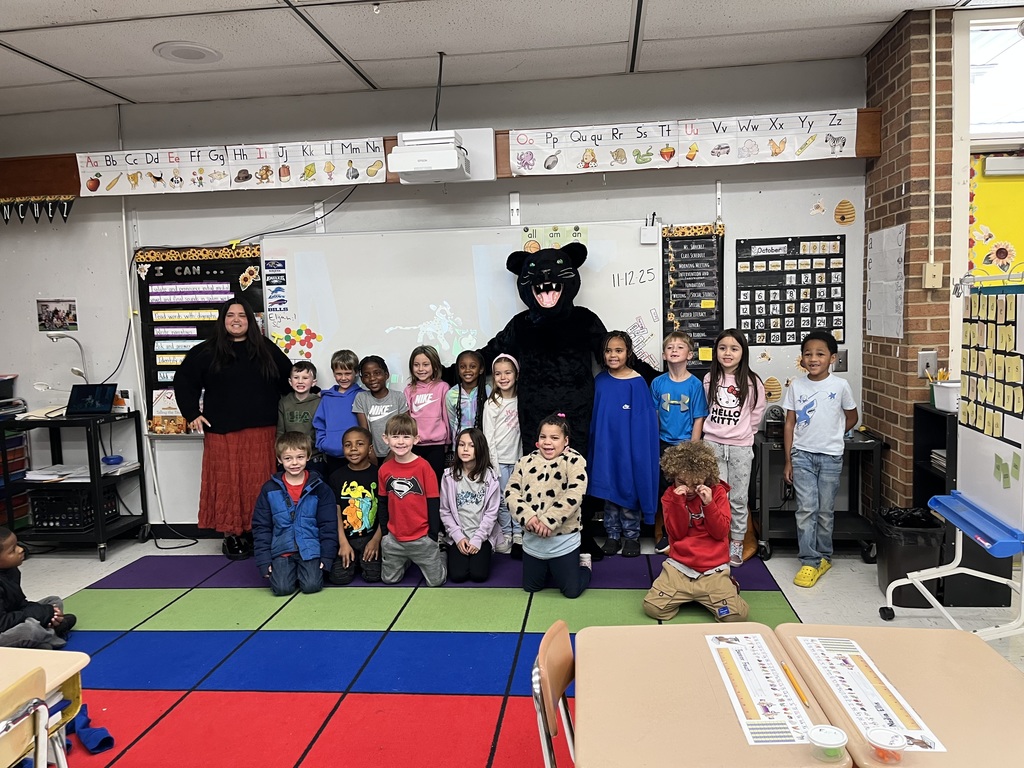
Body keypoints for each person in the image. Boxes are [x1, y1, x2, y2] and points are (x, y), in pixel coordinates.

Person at [174, 298, 292, 559]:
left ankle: (256, 532)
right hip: (221, 432)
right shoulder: (206, 351)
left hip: (261, 431)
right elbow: (183, 381)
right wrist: (192, 413)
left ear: (251, 321)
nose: (236, 320)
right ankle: (232, 536)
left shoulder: (265, 349)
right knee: (227, 484)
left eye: (242, 315)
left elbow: (290, 379)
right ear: (223, 320)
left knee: (258, 484)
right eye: (230, 316)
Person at [783, 330, 859, 588]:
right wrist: (788, 460)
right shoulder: (796, 385)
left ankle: (824, 555)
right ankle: (808, 560)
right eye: (808, 354)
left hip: (830, 457)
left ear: (832, 358)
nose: (813, 358)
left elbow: (852, 416)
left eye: (820, 354)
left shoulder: (840, 386)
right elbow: (790, 423)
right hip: (801, 455)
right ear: (802, 359)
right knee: (806, 509)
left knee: (825, 511)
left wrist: (835, 434)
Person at [642, 442, 749, 623]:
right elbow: (677, 534)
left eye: (696, 483)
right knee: (653, 608)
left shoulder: (718, 493)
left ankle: (725, 586)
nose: (689, 490)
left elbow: (720, 532)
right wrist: (678, 502)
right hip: (679, 568)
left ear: (706, 478)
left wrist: (709, 505)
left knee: (735, 616)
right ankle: (694, 596)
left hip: (713, 571)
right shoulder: (670, 496)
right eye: (682, 482)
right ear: (673, 476)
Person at [588, 331, 659, 558]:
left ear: (628, 353)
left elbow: (644, 425)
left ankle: (632, 536)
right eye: (608, 351)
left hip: (628, 451)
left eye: (618, 350)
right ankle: (612, 535)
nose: (613, 355)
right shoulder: (599, 381)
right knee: (609, 494)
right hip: (606, 450)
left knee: (628, 492)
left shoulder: (637, 383)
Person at [506, 413, 592, 599]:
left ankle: (583, 566)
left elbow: (575, 494)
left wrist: (548, 521)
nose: (548, 442)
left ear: (565, 440)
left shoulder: (575, 461)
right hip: (533, 541)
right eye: (543, 437)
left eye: (554, 438)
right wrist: (528, 517)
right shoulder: (524, 462)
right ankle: (549, 568)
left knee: (571, 591)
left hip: (563, 542)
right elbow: (511, 492)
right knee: (531, 588)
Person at [702, 329, 767, 567]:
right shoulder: (709, 379)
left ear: (743, 352)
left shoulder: (752, 381)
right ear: (716, 351)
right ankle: (717, 540)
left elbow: (757, 412)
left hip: (740, 447)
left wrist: (745, 434)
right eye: (722, 348)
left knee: (738, 497)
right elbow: (706, 408)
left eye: (734, 348)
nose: (727, 353)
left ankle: (737, 541)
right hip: (713, 444)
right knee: (715, 497)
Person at [251, 433, 338, 596]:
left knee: (311, 586)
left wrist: (326, 557)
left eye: (300, 457)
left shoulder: (320, 488)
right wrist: (264, 560)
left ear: (308, 456)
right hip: (282, 549)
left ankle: (304, 571)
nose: (294, 463)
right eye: (288, 458)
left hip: (310, 549)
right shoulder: (269, 489)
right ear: (279, 459)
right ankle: (287, 571)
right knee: (282, 589)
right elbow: (261, 527)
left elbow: (328, 525)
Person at [651, 331, 710, 554]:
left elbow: (698, 418)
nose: (674, 350)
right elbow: (654, 416)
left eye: (680, 347)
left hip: (687, 445)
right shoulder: (657, 383)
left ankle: (691, 532)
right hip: (663, 444)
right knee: (668, 492)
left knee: (689, 489)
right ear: (665, 355)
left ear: (690, 354)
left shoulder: (694, 385)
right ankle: (668, 533)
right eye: (670, 347)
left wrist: (692, 449)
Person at [378, 413, 446, 586]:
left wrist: (432, 534)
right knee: (389, 580)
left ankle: (442, 553)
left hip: (422, 537)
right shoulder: (384, 470)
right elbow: (383, 503)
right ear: (386, 439)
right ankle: (406, 559)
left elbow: (433, 503)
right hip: (394, 539)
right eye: (395, 436)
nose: (400, 442)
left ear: (416, 439)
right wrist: (386, 534)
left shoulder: (424, 467)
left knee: (436, 582)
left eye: (406, 437)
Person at [440, 428, 504, 583]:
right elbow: (445, 511)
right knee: (458, 576)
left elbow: (491, 513)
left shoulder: (491, 478)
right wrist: (458, 536)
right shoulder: (448, 476)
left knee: (478, 575)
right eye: (461, 445)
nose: (465, 449)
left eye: (471, 445)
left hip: (482, 535)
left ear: (480, 448)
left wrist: (478, 538)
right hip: (459, 535)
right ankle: (445, 548)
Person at [0, 527, 76, 649]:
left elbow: (19, 604)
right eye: (13, 550)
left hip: (12, 616)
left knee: (54, 601)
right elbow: (2, 623)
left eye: (17, 544)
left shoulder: (11, 570)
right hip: (3, 628)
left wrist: (45, 611)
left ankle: (44, 635)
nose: (20, 550)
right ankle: (51, 634)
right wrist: (40, 614)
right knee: (30, 629)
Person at [327, 426, 382, 585]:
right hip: (347, 537)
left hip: (370, 537)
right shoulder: (337, 477)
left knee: (373, 576)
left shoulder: (379, 474)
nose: (353, 449)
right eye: (348, 445)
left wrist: (376, 540)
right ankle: (354, 559)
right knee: (339, 578)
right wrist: (343, 542)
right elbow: (336, 512)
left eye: (359, 444)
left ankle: (363, 560)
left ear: (370, 448)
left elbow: (386, 511)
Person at [481, 353, 522, 557]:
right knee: (504, 500)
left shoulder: (522, 400)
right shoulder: (492, 403)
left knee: (519, 497)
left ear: (516, 374)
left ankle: (519, 534)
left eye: (508, 372)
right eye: (498, 374)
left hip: (519, 459)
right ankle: (507, 533)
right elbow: (488, 436)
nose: (503, 377)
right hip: (500, 461)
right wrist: (494, 464)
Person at [404, 345, 450, 483]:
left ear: (435, 366)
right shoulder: (409, 390)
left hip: (437, 446)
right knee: (417, 483)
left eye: (425, 364)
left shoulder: (443, 387)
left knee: (435, 482)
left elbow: (446, 416)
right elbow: (407, 419)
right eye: (416, 365)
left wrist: (448, 441)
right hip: (416, 445)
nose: (421, 369)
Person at [313, 349, 361, 478]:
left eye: (348, 373)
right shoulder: (327, 398)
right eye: (339, 373)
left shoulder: (361, 396)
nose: (343, 378)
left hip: (358, 456)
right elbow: (319, 423)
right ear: (333, 374)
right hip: (332, 456)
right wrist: (324, 444)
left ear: (356, 372)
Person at [353, 355, 409, 464]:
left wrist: (393, 453)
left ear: (386, 374)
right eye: (366, 375)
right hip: (371, 454)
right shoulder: (361, 398)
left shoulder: (398, 397)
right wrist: (370, 453)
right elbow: (364, 431)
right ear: (362, 379)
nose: (372, 378)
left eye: (377, 373)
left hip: (397, 452)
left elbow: (405, 428)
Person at [278, 360, 326, 477]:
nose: (300, 381)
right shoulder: (284, 402)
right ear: (290, 381)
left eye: (305, 378)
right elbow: (280, 432)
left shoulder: (320, 402)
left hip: (314, 458)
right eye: (296, 377)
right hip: (290, 458)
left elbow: (322, 430)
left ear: (313, 382)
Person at [446, 350, 487, 446]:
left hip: (481, 444)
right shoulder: (451, 394)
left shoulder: (487, 391)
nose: (467, 370)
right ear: (458, 370)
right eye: (462, 367)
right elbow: (452, 421)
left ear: (480, 369)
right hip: (460, 444)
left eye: (472, 366)